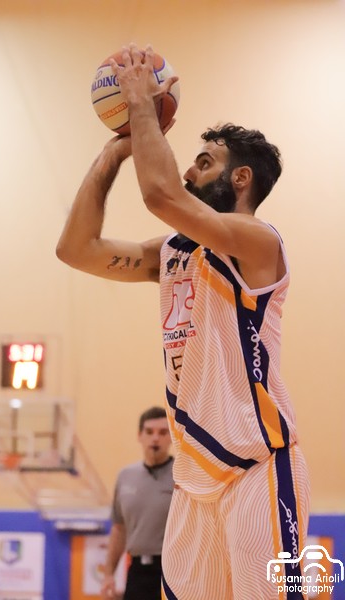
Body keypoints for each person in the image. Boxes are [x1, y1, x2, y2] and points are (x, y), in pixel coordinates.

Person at [57, 44, 310, 599]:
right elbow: (77, 250)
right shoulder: (174, 251)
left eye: (205, 161)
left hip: (257, 469)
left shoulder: (258, 242)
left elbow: (161, 194)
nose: (191, 170)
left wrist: (141, 104)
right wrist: (113, 153)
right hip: (192, 483)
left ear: (241, 179)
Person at [100, 406, 174, 600]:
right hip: (138, 571)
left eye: (162, 432)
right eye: (149, 432)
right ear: (139, 435)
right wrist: (108, 575)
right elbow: (119, 529)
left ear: (171, 437)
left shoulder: (182, 476)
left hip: (174, 571)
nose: (155, 438)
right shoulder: (125, 476)